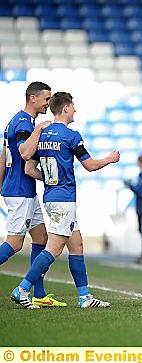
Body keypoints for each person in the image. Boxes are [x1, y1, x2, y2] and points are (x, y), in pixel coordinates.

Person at [11, 91, 120, 309]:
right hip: (64, 199)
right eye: (73, 107)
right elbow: (89, 165)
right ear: (67, 108)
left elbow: (29, 169)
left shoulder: (40, 135)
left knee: (77, 245)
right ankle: (22, 289)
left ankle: (84, 297)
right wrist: (110, 159)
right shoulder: (71, 135)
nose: (75, 110)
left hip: (51, 196)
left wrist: (51, 179)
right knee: (54, 249)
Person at [0, 81, 66, 307]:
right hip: (20, 192)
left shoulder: (14, 120)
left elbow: (3, 155)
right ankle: (29, 292)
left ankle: (38, 294)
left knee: (41, 238)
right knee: (15, 243)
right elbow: (25, 153)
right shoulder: (25, 124)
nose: (49, 103)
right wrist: (39, 129)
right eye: (46, 99)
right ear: (33, 98)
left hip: (22, 189)